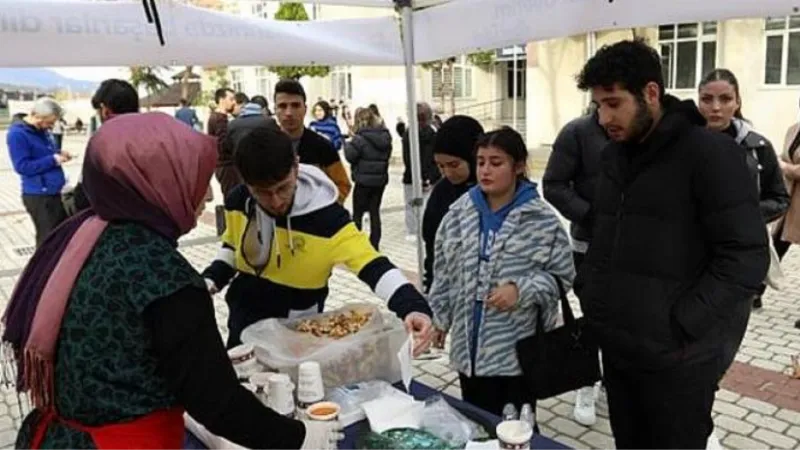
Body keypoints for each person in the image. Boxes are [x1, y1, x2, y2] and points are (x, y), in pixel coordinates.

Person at [5, 112, 343, 450]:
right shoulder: (163, 277)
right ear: (156, 183)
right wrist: (300, 437)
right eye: (193, 179)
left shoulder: (78, 236)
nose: (207, 198)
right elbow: (216, 402)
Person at [573, 39, 768, 450]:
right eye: (598, 106)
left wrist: (682, 324)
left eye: (613, 103)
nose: (604, 117)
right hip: (620, 353)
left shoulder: (710, 155)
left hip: (679, 364)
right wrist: (591, 293)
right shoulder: (614, 157)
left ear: (650, 93)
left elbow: (746, 257)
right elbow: (604, 235)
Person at [202, 125, 434, 351]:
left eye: (282, 188)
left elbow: (375, 266)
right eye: (262, 192)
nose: (275, 201)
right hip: (243, 326)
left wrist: (413, 306)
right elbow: (232, 247)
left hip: (296, 338)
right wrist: (212, 278)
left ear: (296, 165)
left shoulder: (328, 219)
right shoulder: (237, 201)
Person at [428, 127, 574, 416]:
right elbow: (442, 271)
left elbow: (563, 277)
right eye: (481, 162)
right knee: (478, 423)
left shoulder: (541, 220)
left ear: (518, 166)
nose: (485, 170)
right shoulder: (459, 214)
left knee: (516, 427)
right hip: (468, 351)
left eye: (496, 163)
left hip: (517, 354)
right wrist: (440, 318)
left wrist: (522, 290)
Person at [698, 69, 790, 311]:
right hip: (690, 252)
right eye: (707, 99)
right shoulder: (681, 144)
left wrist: (743, 215)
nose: (715, 107)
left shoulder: (757, 147)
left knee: (728, 328)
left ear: (737, 102)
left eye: (725, 99)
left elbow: (780, 198)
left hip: (739, 254)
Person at [542, 105, 609, 427]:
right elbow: (554, 184)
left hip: (638, 247)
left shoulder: (649, 129)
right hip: (589, 244)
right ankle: (586, 382)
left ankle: (613, 382)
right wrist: (591, 215)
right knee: (594, 317)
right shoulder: (577, 132)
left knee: (628, 320)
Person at [422, 115, 483, 293]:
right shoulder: (441, 192)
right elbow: (432, 245)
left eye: (454, 165)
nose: (448, 172)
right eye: (441, 166)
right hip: (451, 294)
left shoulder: (497, 190)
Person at [273, 79, 351, 203]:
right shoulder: (265, 146)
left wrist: (321, 209)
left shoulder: (323, 147)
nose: (289, 113)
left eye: (295, 105)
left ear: (305, 108)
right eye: (282, 106)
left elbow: (342, 186)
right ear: (275, 110)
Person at [7, 97, 71, 247]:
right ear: (36, 116)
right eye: (48, 122)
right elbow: (22, 166)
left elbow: (44, 153)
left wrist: (60, 153)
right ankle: (43, 270)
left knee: (60, 237)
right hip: (39, 196)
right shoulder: (17, 134)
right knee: (47, 242)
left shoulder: (41, 130)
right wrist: (53, 160)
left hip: (54, 192)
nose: (50, 126)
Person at [70, 79, 141, 213]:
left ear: (105, 110)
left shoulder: (102, 142)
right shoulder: (154, 135)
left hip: (113, 221)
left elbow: (85, 194)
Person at [344, 106, 392, 249]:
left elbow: (350, 157)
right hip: (380, 181)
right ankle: (375, 244)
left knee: (357, 213)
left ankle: (357, 244)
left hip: (363, 181)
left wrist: (348, 143)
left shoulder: (359, 138)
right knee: (374, 212)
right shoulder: (385, 136)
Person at [402, 102, 439, 241]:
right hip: (430, 177)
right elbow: (434, 158)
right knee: (425, 205)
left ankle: (413, 231)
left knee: (412, 204)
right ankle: (426, 230)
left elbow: (408, 159)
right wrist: (430, 177)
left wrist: (420, 177)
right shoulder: (434, 133)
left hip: (412, 177)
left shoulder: (409, 133)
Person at [208, 88, 238, 198]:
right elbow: (223, 144)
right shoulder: (220, 119)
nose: (234, 102)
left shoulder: (216, 117)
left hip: (223, 165)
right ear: (221, 100)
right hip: (227, 165)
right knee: (233, 199)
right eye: (231, 99)